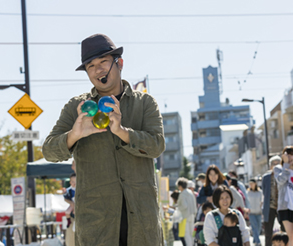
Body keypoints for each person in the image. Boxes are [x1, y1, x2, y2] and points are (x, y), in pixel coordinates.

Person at [42, 34, 165, 246]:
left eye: (103, 62)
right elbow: (48, 151)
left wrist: (122, 132)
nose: (98, 70)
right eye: (91, 66)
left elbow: (157, 145)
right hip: (96, 227)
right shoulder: (76, 108)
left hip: (143, 225)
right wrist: (75, 134)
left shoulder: (144, 103)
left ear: (120, 63)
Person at [263, 155, 284, 246]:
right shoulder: (266, 177)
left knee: (284, 229)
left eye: (278, 163)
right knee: (268, 231)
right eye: (273, 164)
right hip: (269, 206)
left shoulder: (284, 175)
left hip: (282, 206)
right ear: (270, 166)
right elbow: (264, 191)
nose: (275, 165)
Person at [176, 177, 198, 246]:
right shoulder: (190, 192)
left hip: (185, 216)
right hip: (192, 215)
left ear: (180, 186)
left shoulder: (182, 194)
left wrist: (178, 207)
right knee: (192, 234)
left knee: (187, 234)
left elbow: (184, 206)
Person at [247, 178, 263, 246]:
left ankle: (254, 239)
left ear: (255, 184)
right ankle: (258, 242)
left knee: (259, 227)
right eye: (250, 184)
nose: (251, 185)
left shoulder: (260, 192)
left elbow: (262, 201)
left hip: (258, 212)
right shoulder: (248, 192)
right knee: (255, 227)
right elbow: (247, 202)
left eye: (252, 183)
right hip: (251, 212)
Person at [64, 173, 76, 246]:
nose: (74, 183)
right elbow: (66, 198)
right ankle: (68, 220)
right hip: (73, 203)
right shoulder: (69, 190)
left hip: (76, 204)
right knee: (67, 211)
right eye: (72, 182)